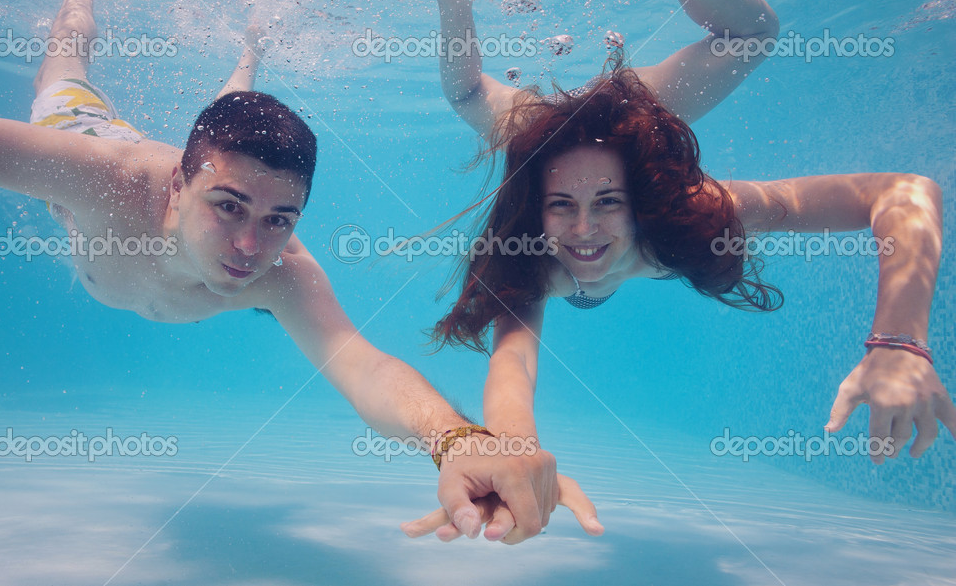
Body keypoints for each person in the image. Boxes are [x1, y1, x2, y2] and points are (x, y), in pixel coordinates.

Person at [0, 0, 602, 544]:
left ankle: (247, 58)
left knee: (231, 125)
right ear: (177, 184)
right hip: (83, 123)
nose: (252, 246)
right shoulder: (95, 175)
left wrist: (457, 440)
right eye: (228, 209)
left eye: (281, 218)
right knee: (63, 65)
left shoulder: (281, 271)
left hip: (192, 159)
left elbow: (365, 368)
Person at [397, 58, 955, 541]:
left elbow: (906, 191)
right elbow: (512, 358)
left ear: (642, 201)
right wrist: (516, 457)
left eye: (609, 201)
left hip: (582, 125)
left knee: (756, 33)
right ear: (536, 208)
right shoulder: (532, 257)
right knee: (473, 98)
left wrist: (900, 344)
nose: (585, 230)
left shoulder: (697, 215)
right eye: (561, 205)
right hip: (541, 125)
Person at [380, 0, 780, 143]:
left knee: (754, 36)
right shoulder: (546, 243)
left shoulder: (638, 245)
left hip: (631, 123)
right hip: (546, 138)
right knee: (465, 96)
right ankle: (453, 2)